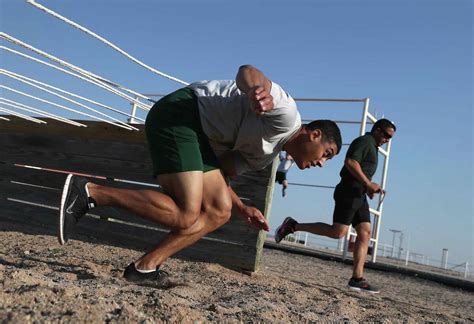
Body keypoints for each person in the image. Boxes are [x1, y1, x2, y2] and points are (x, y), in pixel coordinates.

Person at [58, 65, 342, 287]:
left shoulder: (264, 157)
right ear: (314, 134)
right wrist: (257, 89)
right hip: (182, 113)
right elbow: (247, 71)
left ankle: (144, 268)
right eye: (326, 153)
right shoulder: (286, 115)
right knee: (185, 213)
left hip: (197, 138)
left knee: (220, 211)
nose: (321, 163)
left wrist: (242, 207)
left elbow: (218, 173)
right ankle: (91, 192)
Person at [274, 118, 396, 293]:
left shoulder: (373, 147)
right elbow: (350, 162)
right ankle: (293, 225)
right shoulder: (364, 141)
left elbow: (359, 168)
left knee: (365, 232)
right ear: (377, 130)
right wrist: (368, 184)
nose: (387, 139)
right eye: (386, 135)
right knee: (338, 232)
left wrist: (368, 187)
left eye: (390, 137)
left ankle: (357, 278)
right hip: (348, 190)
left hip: (359, 193)